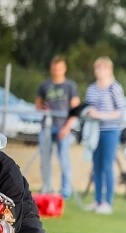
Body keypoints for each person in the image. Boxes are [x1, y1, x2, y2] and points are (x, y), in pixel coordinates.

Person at [83, 56, 125, 215]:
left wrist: (101, 115)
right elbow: (87, 106)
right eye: (97, 68)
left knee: (107, 166)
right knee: (97, 166)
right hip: (94, 131)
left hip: (110, 130)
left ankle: (108, 201)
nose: (99, 71)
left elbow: (120, 111)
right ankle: (97, 199)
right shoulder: (92, 88)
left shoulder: (114, 88)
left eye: (103, 68)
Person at [34, 55, 80, 199]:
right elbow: (38, 104)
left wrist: (67, 128)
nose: (56, 71)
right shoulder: (44, 85)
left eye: (59, 68)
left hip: (63, 128)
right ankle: (47, 189)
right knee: (45, 160)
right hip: (46, 127)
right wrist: (43, 108)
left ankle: (65, 192)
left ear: (64, 69)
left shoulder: (70, 86)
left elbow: (75, 109)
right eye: (54, 68)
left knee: (64, 160)